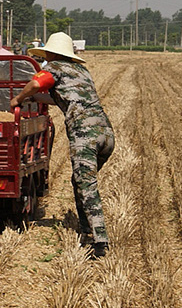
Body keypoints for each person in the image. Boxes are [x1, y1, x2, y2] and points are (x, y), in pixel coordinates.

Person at [10, 32, 114, 258]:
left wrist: (18, 99)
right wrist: (36, 99)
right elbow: (61, 98)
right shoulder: (81, 71)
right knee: (79, 180)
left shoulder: (54, 68)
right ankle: (86, 230)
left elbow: (36, 83)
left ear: (51, 53)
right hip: (106, 134)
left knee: (87, 185)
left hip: (85, 134)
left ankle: (101, 242)